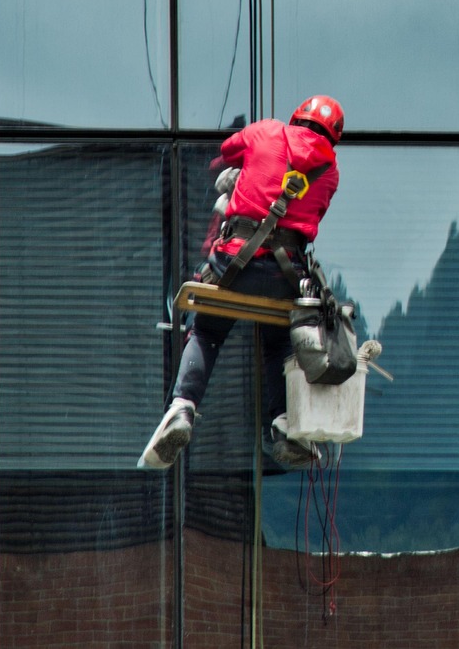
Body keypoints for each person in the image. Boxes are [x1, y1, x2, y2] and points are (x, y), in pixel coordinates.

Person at [139, 95, 346, 472]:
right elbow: (312, 214)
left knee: (207, 332)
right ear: (333, 136)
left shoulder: (266, 131)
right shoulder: (330, 171)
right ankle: (282, 423)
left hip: (235, 262)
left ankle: (182, 407)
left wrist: (248, 172)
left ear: (297, 117)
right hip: (285, 275)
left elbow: (226, 152)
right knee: (278, 341)